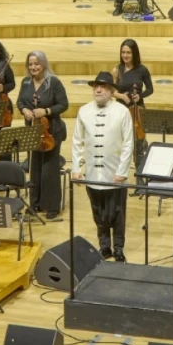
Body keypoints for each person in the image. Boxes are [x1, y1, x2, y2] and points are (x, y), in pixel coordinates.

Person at [71, 72, 135, 261]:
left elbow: (128, 143)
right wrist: (76, 168)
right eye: (95, 87)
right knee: (98, 213)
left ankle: (118, 247)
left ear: (112, 91)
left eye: (103, 87)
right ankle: (104, 247)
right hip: (93, 174)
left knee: (117, 213)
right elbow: (77, 142)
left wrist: (122, 172)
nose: (98, 90)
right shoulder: (84, 111)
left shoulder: (122, 111)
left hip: (114, 174)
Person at [19, 51, 70, 219]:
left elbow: (63, 104)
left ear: (44, 64)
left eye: (36, 63)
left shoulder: (53, 83)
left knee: (49, 168)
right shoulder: (26, 82)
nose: (33, 67)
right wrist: (24, 110)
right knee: (34, 167)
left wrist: (46, 111)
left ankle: (51, 206)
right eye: (30, 64)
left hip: (51, 131)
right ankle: (35, 204)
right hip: (32, 130)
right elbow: (20, 102)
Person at [113, 39, 153, 171]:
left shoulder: (142, 70)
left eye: (128, 53)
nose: (125, 55)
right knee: (121, 143)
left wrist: (139, 96)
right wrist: (121, 96)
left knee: (138, 146)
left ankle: (140, 178)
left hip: (137, 111)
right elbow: (111, 90)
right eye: (123, 52)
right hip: (121, 110)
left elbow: (150, 89)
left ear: (134, 53)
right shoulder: (117, 70)